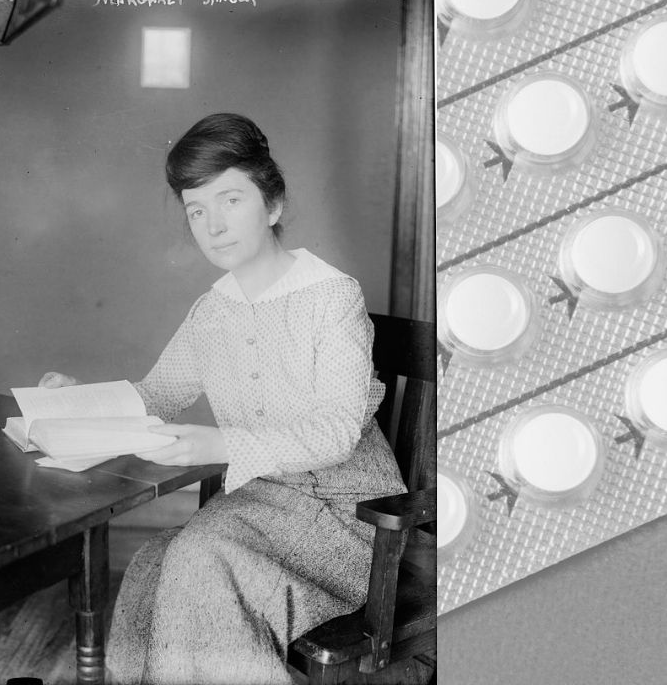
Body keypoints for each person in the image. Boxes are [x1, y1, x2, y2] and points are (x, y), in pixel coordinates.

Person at [39, 113, 405, 684]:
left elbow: (335, 433)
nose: (213, 225)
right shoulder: (212, 312)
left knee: (197, 557)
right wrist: (77, 400)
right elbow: (156, 394)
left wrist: (221, 443)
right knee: (150, 564)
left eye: (230, 199)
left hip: (353, 522)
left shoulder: (333, 298)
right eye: (196, 210)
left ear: (274, 205)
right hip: (262, 508)